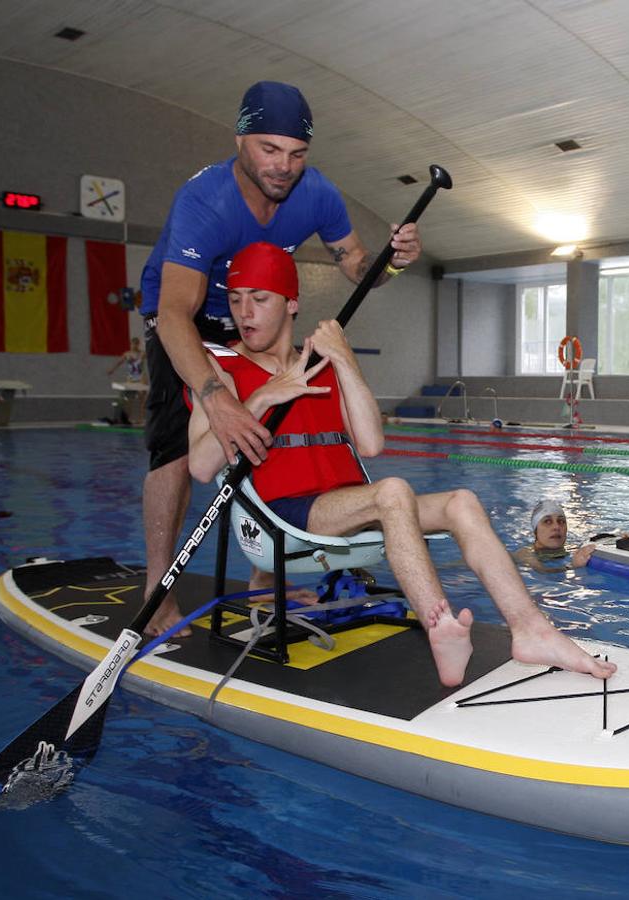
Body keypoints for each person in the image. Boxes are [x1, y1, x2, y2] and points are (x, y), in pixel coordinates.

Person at [186, 242, 615, 687]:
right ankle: (440, 626)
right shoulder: (220, 370)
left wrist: (344, 358)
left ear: (291, 303)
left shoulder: (321, 366)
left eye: (259, 298)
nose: (245, 312)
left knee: (461, 502)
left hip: (348, 505)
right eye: (236, 300)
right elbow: (200, 466)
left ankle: (532, 630)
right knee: (392, 492)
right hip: (284, 515)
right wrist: (261, 398)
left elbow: (370, 442)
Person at [140, 80, 422, 637]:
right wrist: (214, 397)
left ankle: (263, 573)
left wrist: (395, 263)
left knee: (282, 414)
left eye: (296, 154)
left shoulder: (317, 194)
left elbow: (359, 268)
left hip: (261, 313)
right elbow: (175, 313)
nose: (283, 166)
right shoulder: (204, 200)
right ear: (241, 139)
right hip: (185, 317)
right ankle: (156, 588)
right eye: (270, 149)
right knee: (177, 447)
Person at [512, 499, 602, 573]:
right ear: (536, 531)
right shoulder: (525, 554)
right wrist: (573, 566)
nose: (556, 527)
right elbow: (544, 572)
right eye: (547, 522)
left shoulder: (572, 548)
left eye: (561, 521)